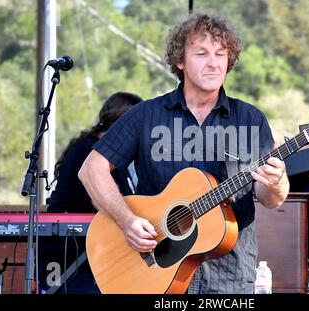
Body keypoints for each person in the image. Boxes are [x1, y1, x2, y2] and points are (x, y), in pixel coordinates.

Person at [79, 12, 290, 294]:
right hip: (155, 274)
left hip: (228, 278)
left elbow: (269, 199)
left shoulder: (250, 119)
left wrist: (276, 182)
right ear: (180, 61)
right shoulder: (147, 115)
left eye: (220, 54)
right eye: (201, 53)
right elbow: (91, 169)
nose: (213, 63)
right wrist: (126, 220)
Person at [39, 92, 143, 294]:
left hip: (91, 252)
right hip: (70, 255)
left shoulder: (109, 154)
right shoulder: (89, 151)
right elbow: (104, 202)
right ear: (124, 126)